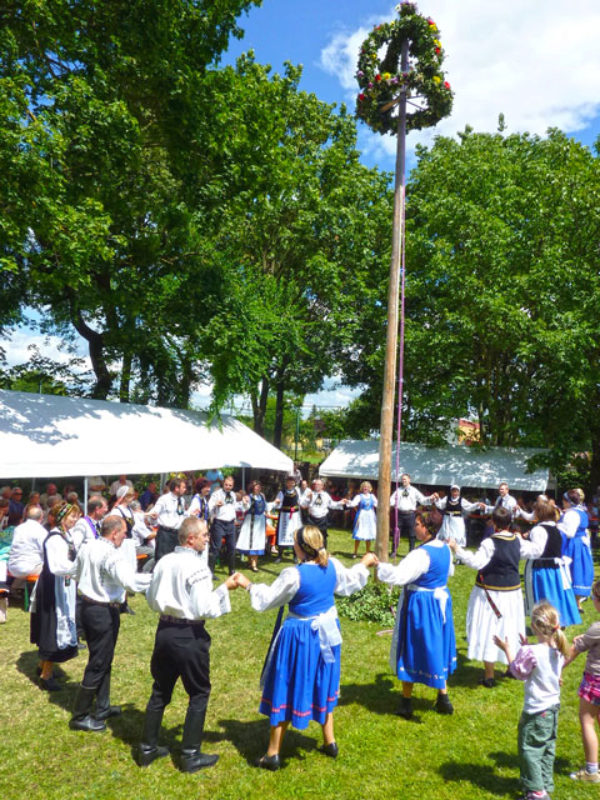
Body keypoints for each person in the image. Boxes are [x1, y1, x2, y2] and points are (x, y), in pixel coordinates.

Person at [235, 525, 376, 770]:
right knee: (323, 682)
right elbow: (350, 582)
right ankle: (329, 741)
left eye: (294, 542)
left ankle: (272, 753)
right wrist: (364, 563)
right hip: (328, 633)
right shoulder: (331, 565)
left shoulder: (294, 574)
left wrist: (248, 585)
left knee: (287, 686)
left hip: (301, 636)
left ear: (301, 547)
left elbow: (268, 599)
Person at [136, 517, 240, 772]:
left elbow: (151, 598)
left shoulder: (164, 561)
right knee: (199, 692)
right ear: (190, 539)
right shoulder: (198, 567)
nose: (208, 538)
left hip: (165, 631)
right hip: (188, 635)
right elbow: (204, 609)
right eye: (204, 534)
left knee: (160, 690)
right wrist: (225, 588)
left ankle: (147, 748)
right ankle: (190, 755)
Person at [70, 516, 151, 732]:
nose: (125, 536)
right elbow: (130, 582)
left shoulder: (88, 547)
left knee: (104, 658)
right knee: (99, 661)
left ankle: (103, 707)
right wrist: (158, 577)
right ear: (114, 533)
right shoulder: (111, 555)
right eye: (124, 532)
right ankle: (80, 715)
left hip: (88, 608)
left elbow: (75, 572)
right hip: (103, 611)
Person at [378, 511, 456, 718]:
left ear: (428, 528)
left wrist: (379, 566)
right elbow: (449, 572)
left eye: (419, 524)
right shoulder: (446, 548)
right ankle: (443, 697)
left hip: (422, 604)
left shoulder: (421, 554)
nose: (415, 526)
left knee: (411, 647)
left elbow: (399, 575)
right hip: (440, 601)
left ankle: (406, 702)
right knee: (437, 644)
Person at [494, 602, 568, 800]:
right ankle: (544, 784)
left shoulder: (533, 653)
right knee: (546, 748)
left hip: (536, 711)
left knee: (530, 750)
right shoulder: (558, 648)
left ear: (535, 626)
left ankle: (537, 793)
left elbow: (518, 672)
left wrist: (507, 649)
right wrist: (526, 647)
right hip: (552, 709)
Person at [449, 507, 527, 687]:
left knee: (489, 629)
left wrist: (457, 548)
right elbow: (536, 550)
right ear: (509, 522)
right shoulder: (518, 540)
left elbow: (476, 562)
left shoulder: (489, 543)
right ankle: (510, 666)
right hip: (512, 592)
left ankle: (489, 674)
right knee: (510, 627)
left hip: (491, 593)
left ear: (493, 522)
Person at [30, 502, 81, 690]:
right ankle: (46, 675)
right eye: (71, 516)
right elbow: (57, 566)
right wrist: (79, 569)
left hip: (62, 584)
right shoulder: (55, 539)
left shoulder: (66, 536)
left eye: (76, 516)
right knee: (52, 625)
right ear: (61, 518)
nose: (75, 519)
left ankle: (41, 665)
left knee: (55, 623)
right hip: (53, 586)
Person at [520, 496, 580, 627]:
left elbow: (537, 551)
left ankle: (549, 621)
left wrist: (521, 545)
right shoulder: (557, 528)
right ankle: (557, 620)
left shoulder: (538, 530)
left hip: (544, 569)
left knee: (546, 595)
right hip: (556, 569)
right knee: (556, 593)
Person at [563, 578, 600, 783]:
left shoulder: (596, 629)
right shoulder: (594, 631)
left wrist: (555, 669)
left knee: (587, 721)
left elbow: (574, 652)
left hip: (595, 682)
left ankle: (591, 771)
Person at [559, 489, 593, 610]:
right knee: (578, 570)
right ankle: (577, 602)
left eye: (564, 500)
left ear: (568, 501)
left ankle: (575, 603)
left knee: (573, 570)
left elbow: (570, 533)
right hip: (581, 543)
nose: (562, 503)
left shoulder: (571, 514)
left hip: (574, 545)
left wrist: (557, 526)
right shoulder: (581, 511)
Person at [389, 473, 437, 554]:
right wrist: (392, 504)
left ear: (409, 480)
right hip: (400, 514)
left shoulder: (414, 491)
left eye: (405, 479)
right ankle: (394, 551)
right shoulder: (399, 490)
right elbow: (391, 500)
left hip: (410, 514)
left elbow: (422, 500)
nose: (403, 480)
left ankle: (411, 551)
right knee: (396, 533)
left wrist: (431, 499)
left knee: (411, 534)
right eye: (402, 479)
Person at [208, 476, 246, 576]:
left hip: (230, 523)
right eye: (226, 485)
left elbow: (235, 507)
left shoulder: (233, 495)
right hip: (219, 522)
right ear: (223, 484)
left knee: (232, 547)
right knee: (216, 547)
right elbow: (209, 505)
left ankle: (232, 570)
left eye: (230, 485)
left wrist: (243, 503)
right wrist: (215, 504)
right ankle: (210, 571)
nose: (228, 487)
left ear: (232, 486)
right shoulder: (216, 494)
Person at [149, 478, 188, 562]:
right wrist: (154, 515)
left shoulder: (181, 500)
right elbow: (155, 511)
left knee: (176, 560)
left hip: (177, 534)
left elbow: (182, 514)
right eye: (183, 487)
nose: (185, 489)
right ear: (176, 488)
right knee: (162, 560)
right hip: (165, 534)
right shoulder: (164, 499)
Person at [300, 478, 346, 550]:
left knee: (323, 537)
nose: (317, 486)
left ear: (322, 486)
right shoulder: (310, 494)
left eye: (319, 484)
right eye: (315, 484)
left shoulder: (325, 495)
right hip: (312, 519)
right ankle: (311, 552)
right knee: (310, 536)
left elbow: (332, 505)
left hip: (322, 519)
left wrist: (340, 502)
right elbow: (302, 505)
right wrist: (308, 498)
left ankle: (322, 553)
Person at [8, 506, 48, 578]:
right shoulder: (41, 530)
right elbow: (46, 550)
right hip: (31, 567)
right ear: (41, 517)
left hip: (13, 567)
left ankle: (17, 587)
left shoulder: (18, 528)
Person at [236, 481, 267, 572]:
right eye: (255, 487)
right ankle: (250, 562)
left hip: (260, 521)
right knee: (250, 541)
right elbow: (245, 508)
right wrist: (245, 503)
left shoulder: (262, 497)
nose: (257, 488)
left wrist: (275, 503)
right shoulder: (249, 497)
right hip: (251, 521)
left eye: (258, 486)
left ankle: (254, 564)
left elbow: (266, 507)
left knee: (257, 541)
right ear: (252, 488)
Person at [273, 476, 302, 561]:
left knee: (295, 534)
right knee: (283, 534)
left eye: (292, 482)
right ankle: (279, 555)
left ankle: (295, 555)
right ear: (286, 483)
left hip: (294, 516)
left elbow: (301, 502)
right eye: (289, 482)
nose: (290, 484)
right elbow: (278, 503)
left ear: (294, 483)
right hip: (284, 516)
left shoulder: (297, 491)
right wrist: (278, 503)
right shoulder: (282, 492)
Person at [347, 481, 377, 557]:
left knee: (369, 534)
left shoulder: (372, 496)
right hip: (362, 516)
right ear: (362, 488)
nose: (365, 488)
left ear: (370, 488)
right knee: (359, 532)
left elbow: (377, 504)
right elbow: (353, 504)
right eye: (364, 486)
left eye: (367, 487)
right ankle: (355, 552)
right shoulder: (359, 496)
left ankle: (367, 552)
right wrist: (348, 501)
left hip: (370, 516)